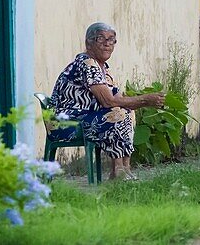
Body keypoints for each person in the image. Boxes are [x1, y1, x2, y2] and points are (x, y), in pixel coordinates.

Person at [50, 22, 165, 180]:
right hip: (65, 123)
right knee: (116, 113)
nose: (107, 44)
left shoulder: (102, 67)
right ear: (89, 43)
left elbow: (117, 99)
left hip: (82, 118)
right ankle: (118, 171)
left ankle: (125, 168)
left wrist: (139, 103)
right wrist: (146, 100)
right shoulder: (87, 63)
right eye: (101, 39)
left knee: (127, 112)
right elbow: (108, 102)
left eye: (111, 40)